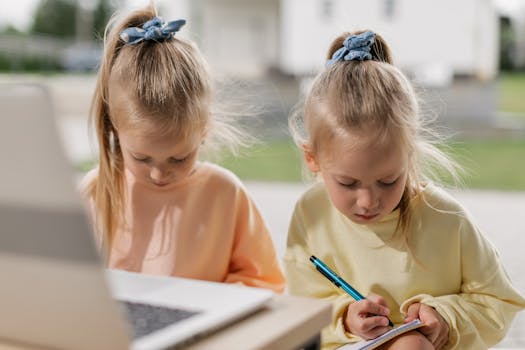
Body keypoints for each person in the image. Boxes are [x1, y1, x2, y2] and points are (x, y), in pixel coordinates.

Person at [284, 30, 525, 349]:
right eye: (348, 183)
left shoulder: (445, 219)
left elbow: (499, 301)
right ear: (312, 159)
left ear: (410, 156)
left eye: (388, 181)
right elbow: (300, 308)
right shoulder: (311, 213)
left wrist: (447, 319)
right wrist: (345, 318)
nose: (368, 201)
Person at [80, 3, 285, 293]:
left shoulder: (225, 194)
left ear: (204, 131)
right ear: (114, 126)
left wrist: (210, 305)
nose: (159, 174)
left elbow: (266, 282)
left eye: (179, 158)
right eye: (141, 157)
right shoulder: (93, 192)